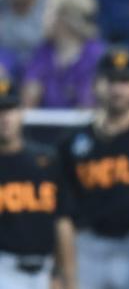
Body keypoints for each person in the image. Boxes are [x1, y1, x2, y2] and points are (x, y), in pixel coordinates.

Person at [60, 48, 129, 289]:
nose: (118, 89)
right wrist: (67, 273)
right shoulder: (73, 142)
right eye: (111, 80)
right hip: (88, 244)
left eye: (127, 81)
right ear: (97, 85)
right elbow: (64, 214)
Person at [0, 77, 76, 289]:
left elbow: (62, 221)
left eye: (10, 109)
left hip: (45, 272)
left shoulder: (46, 160)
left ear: (21, 112)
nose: (4, 118)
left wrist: (67, 277)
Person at [21, 0, 105, 108]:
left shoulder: (97, 55)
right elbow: (28, 101)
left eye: (49, 11)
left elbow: (91, 103)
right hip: (45, 124)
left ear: (66, 18)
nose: (43, 18)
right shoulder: (42, 53)